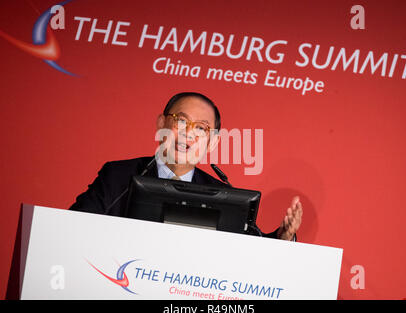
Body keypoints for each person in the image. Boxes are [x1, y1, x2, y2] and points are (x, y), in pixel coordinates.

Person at [69, 92, 303, 240]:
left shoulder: (222, 193)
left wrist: (282, 237)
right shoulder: (119, 176)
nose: (188, 133)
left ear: (213, 142)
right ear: (161, 124)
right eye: (181, 121)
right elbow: (72, 226)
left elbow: (248, 246)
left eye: (201, 128)